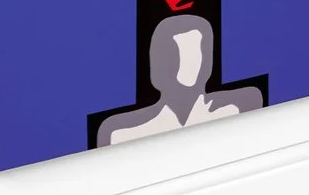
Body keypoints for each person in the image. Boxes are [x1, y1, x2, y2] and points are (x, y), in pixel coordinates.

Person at [94, 13, 265, 146]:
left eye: (194, 53)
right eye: (177, 55)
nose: (187, 65)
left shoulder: (237, 107)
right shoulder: (122, 131)